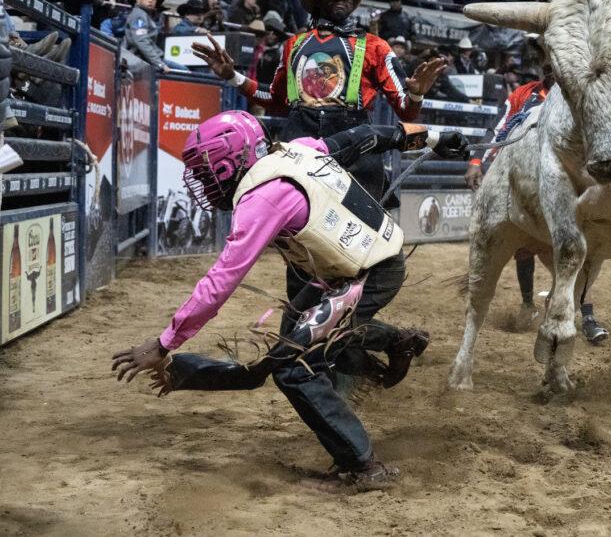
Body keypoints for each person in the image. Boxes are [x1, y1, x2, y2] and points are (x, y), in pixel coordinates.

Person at [112, 110, 470, 490]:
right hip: (355, 266)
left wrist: (165, 341)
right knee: (289, 341)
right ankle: (395, 341)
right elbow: (366, 136)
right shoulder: (298, 150)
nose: (203, 182)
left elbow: (220, 282)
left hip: (366, 273)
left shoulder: (260, 200)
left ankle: (364, 468)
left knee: (293, 366)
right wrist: (430, 138)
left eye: (207, 173)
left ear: (233, 162)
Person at [192, 0, 444, 304]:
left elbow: (405, 110)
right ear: (317, 0)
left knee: (356, 245)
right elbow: (275, 99)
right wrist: (234, 77)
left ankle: (343, 325)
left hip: (355, 150)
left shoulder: (375, 47)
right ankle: (304, 318)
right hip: (302, 151)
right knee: (301, 244)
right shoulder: (294, 45)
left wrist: (415, 93)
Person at [464, 62, 609, 344]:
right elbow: (499, 128)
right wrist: (476, 162)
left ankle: (587, 315)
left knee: (583, 249)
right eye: (547, 63)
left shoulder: (580, 100)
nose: (551, 69)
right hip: (524, 181)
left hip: (567, 184)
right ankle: (529, 304)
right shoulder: (524, 95)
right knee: (522, 246)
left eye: (556, 64)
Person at [124, 0, 187, 72]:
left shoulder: (144, 15)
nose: (150, 0)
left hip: (147, 58)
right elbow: (141, 41)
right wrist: (159, 63)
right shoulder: (139, 15)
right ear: (137, 0)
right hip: (141, 59)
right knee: (185, 72)